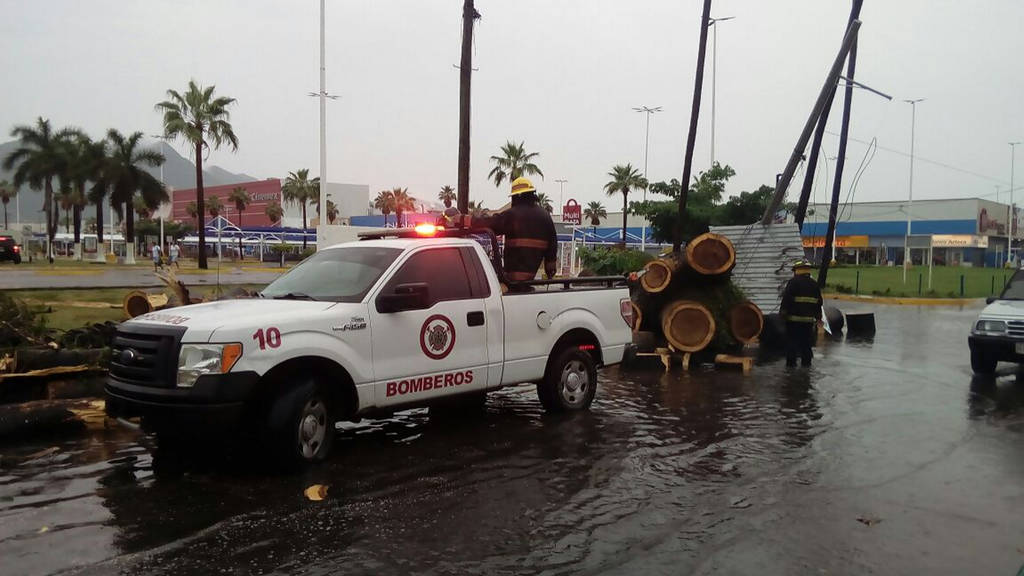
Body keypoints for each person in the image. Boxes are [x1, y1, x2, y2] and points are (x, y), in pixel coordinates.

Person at [449, 177, 558, 283]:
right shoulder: (545, 216)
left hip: (512, 280)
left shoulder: (513, 215)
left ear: (517, 196)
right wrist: (550, 268)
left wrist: (463, 219)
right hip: (530, 277)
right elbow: (553, 244)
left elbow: (490, 223)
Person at [780, 259, 823, 367]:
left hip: (793, 321)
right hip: (808, 322)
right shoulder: (814, 284)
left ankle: (791, 367)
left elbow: (786, 300)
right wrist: (818, 318)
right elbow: (819, 302)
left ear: (797, 270)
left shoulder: (793, 282)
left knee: (792, 344)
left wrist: (782, 315)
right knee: (806, 345)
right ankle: (806, 366)